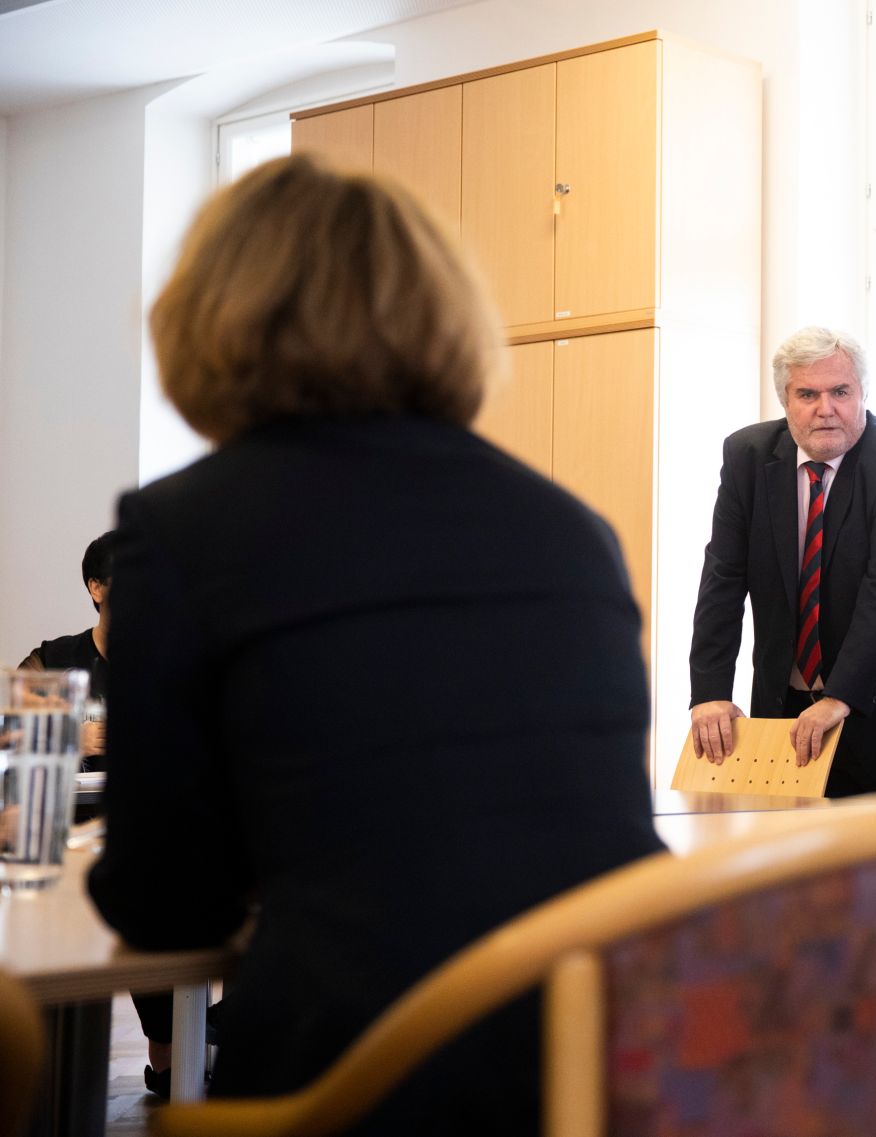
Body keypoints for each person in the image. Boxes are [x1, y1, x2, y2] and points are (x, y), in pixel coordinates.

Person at [86, 154, 664, 1134]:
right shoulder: (570, 528)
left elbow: (165, 906)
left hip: (364, 1083)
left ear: (211, 316)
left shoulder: (181, 532)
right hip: (616, 1062)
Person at [687, 326, 876, 795]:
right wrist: (710, 692)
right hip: (790, 701)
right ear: (785, 402)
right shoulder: (747, 457)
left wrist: (840, 696)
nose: (825, 409)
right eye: (807, 394)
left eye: (841, 392)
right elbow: (722, 578)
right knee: (794, 852)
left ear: (863, 394)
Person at [18, 530, 116, 767]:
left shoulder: (168, 664)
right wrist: (69, 739)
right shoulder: (51, 661)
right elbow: (8, 730)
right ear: (96, 588)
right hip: (76, 804)